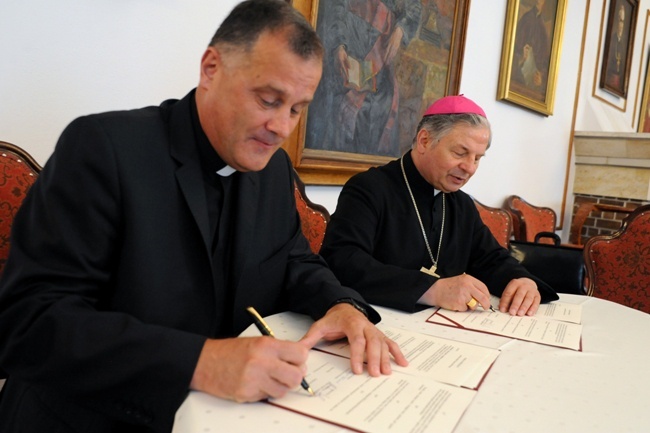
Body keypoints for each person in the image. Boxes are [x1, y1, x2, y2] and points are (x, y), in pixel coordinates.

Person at [0, 1, 407, 432]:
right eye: (269, 100)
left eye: (297, 109)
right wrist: (199, 361)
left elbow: (293, 259)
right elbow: (29, 322)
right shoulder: (104, 149)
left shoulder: (273, 171)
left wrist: (340, 304)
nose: (282, 127)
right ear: (211, 68)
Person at [320, 95, 559, 316]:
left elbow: (491, 259)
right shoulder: (369, 188)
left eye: (477, 158)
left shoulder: (462, 204)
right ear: (424, 140)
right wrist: (431, 289)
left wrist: (520, 280)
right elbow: (343, 261)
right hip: (381, 320)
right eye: (460, 152)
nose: (470, 168)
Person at [305, 0, 422, 157]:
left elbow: (414, 6)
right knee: (334, 118)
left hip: (379, 50)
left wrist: (400, 29)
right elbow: (334, 7)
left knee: (380, 110)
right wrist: (338, 45)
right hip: (346, 39)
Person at [511, 0, 551, 94]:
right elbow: (513, 52)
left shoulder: (543, 28)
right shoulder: (526, 19)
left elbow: (545, 62)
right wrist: (521, 59)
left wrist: (541, 78)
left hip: (534, 86)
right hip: (519, 82)